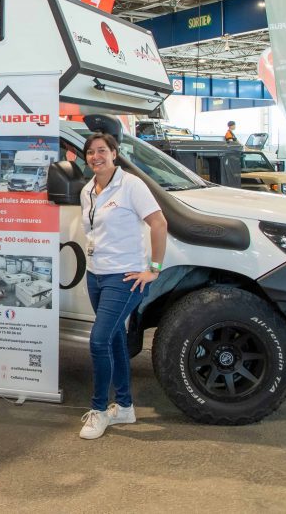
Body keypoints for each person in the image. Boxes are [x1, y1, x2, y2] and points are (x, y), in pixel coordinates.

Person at [79, 132, 168, 439]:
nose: (95, 156)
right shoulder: (88, 190)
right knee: (115, 340)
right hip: (96, 276)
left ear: (114, 153)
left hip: (125, 278)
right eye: (90, 152)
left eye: (101, 150)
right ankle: (125, 407)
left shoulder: (131, 185)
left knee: (98, 341)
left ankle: (100, 410)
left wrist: (153, 269)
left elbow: (159, 223)